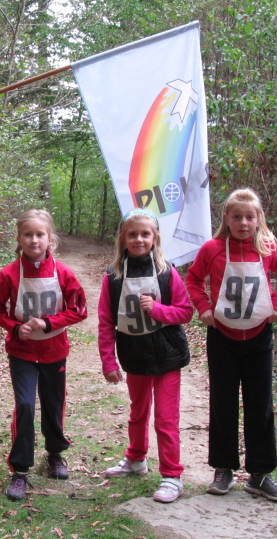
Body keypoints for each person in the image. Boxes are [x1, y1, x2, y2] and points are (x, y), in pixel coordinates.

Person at [186, 188, 277, 501]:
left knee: (260, 404)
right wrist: (203, 308)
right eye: (237, 217)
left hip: (259, 335)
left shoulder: (268, 246)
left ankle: (260, 474)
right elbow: (193, 279)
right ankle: (223, 469)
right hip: (222, 336)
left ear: (258, 219)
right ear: (226, 218)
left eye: (249, 217)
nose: (243, 223)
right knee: (223, 402)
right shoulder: (212, 249)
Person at [0, 210, 88, 501]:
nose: (34, 240)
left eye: (40, 234)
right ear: (19, 239)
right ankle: (20, 470)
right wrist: (15, 328)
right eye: (28, 234)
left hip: (55, 351)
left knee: (53, 404)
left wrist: (49, 323)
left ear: (50, 239)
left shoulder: (63, 272)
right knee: (25, 405)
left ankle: (55, 454)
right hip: (22, 353)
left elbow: (79, 309)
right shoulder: (8, 273)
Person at [97, 208, 193, 503]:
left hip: (168, 355)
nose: (139, 239)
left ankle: (171, 475)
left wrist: (158, 310)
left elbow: (185, 311)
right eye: (132, 234)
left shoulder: (167, 272)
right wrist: (108, 361)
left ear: (155, 238)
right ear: (122, 238)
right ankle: (136, 459)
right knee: (137, 413)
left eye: (145, 234)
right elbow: (105, 322)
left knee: (166, 418)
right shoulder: (113, 277)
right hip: (134, 355)